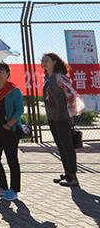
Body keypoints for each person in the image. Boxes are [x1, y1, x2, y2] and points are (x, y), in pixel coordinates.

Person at [42, 52, 82, 187]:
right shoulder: (47, 77)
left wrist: (71, 112)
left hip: (62, 116)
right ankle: (67, 173)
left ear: (54, 62)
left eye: (47, 60)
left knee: (67, 146)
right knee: (60, 146)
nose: (44, 63)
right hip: (52, 116)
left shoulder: (59, 77)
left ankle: (73, 176)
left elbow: (71, 94)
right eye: (42, 61)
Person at [0, 63, 24, 201]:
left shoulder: (13, 90)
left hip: (9, 131)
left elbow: (20, 110)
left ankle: (14, 190)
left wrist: (9, 124)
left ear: (8, 73)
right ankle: (3, 186)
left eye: (1, 71)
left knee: (12, 160)